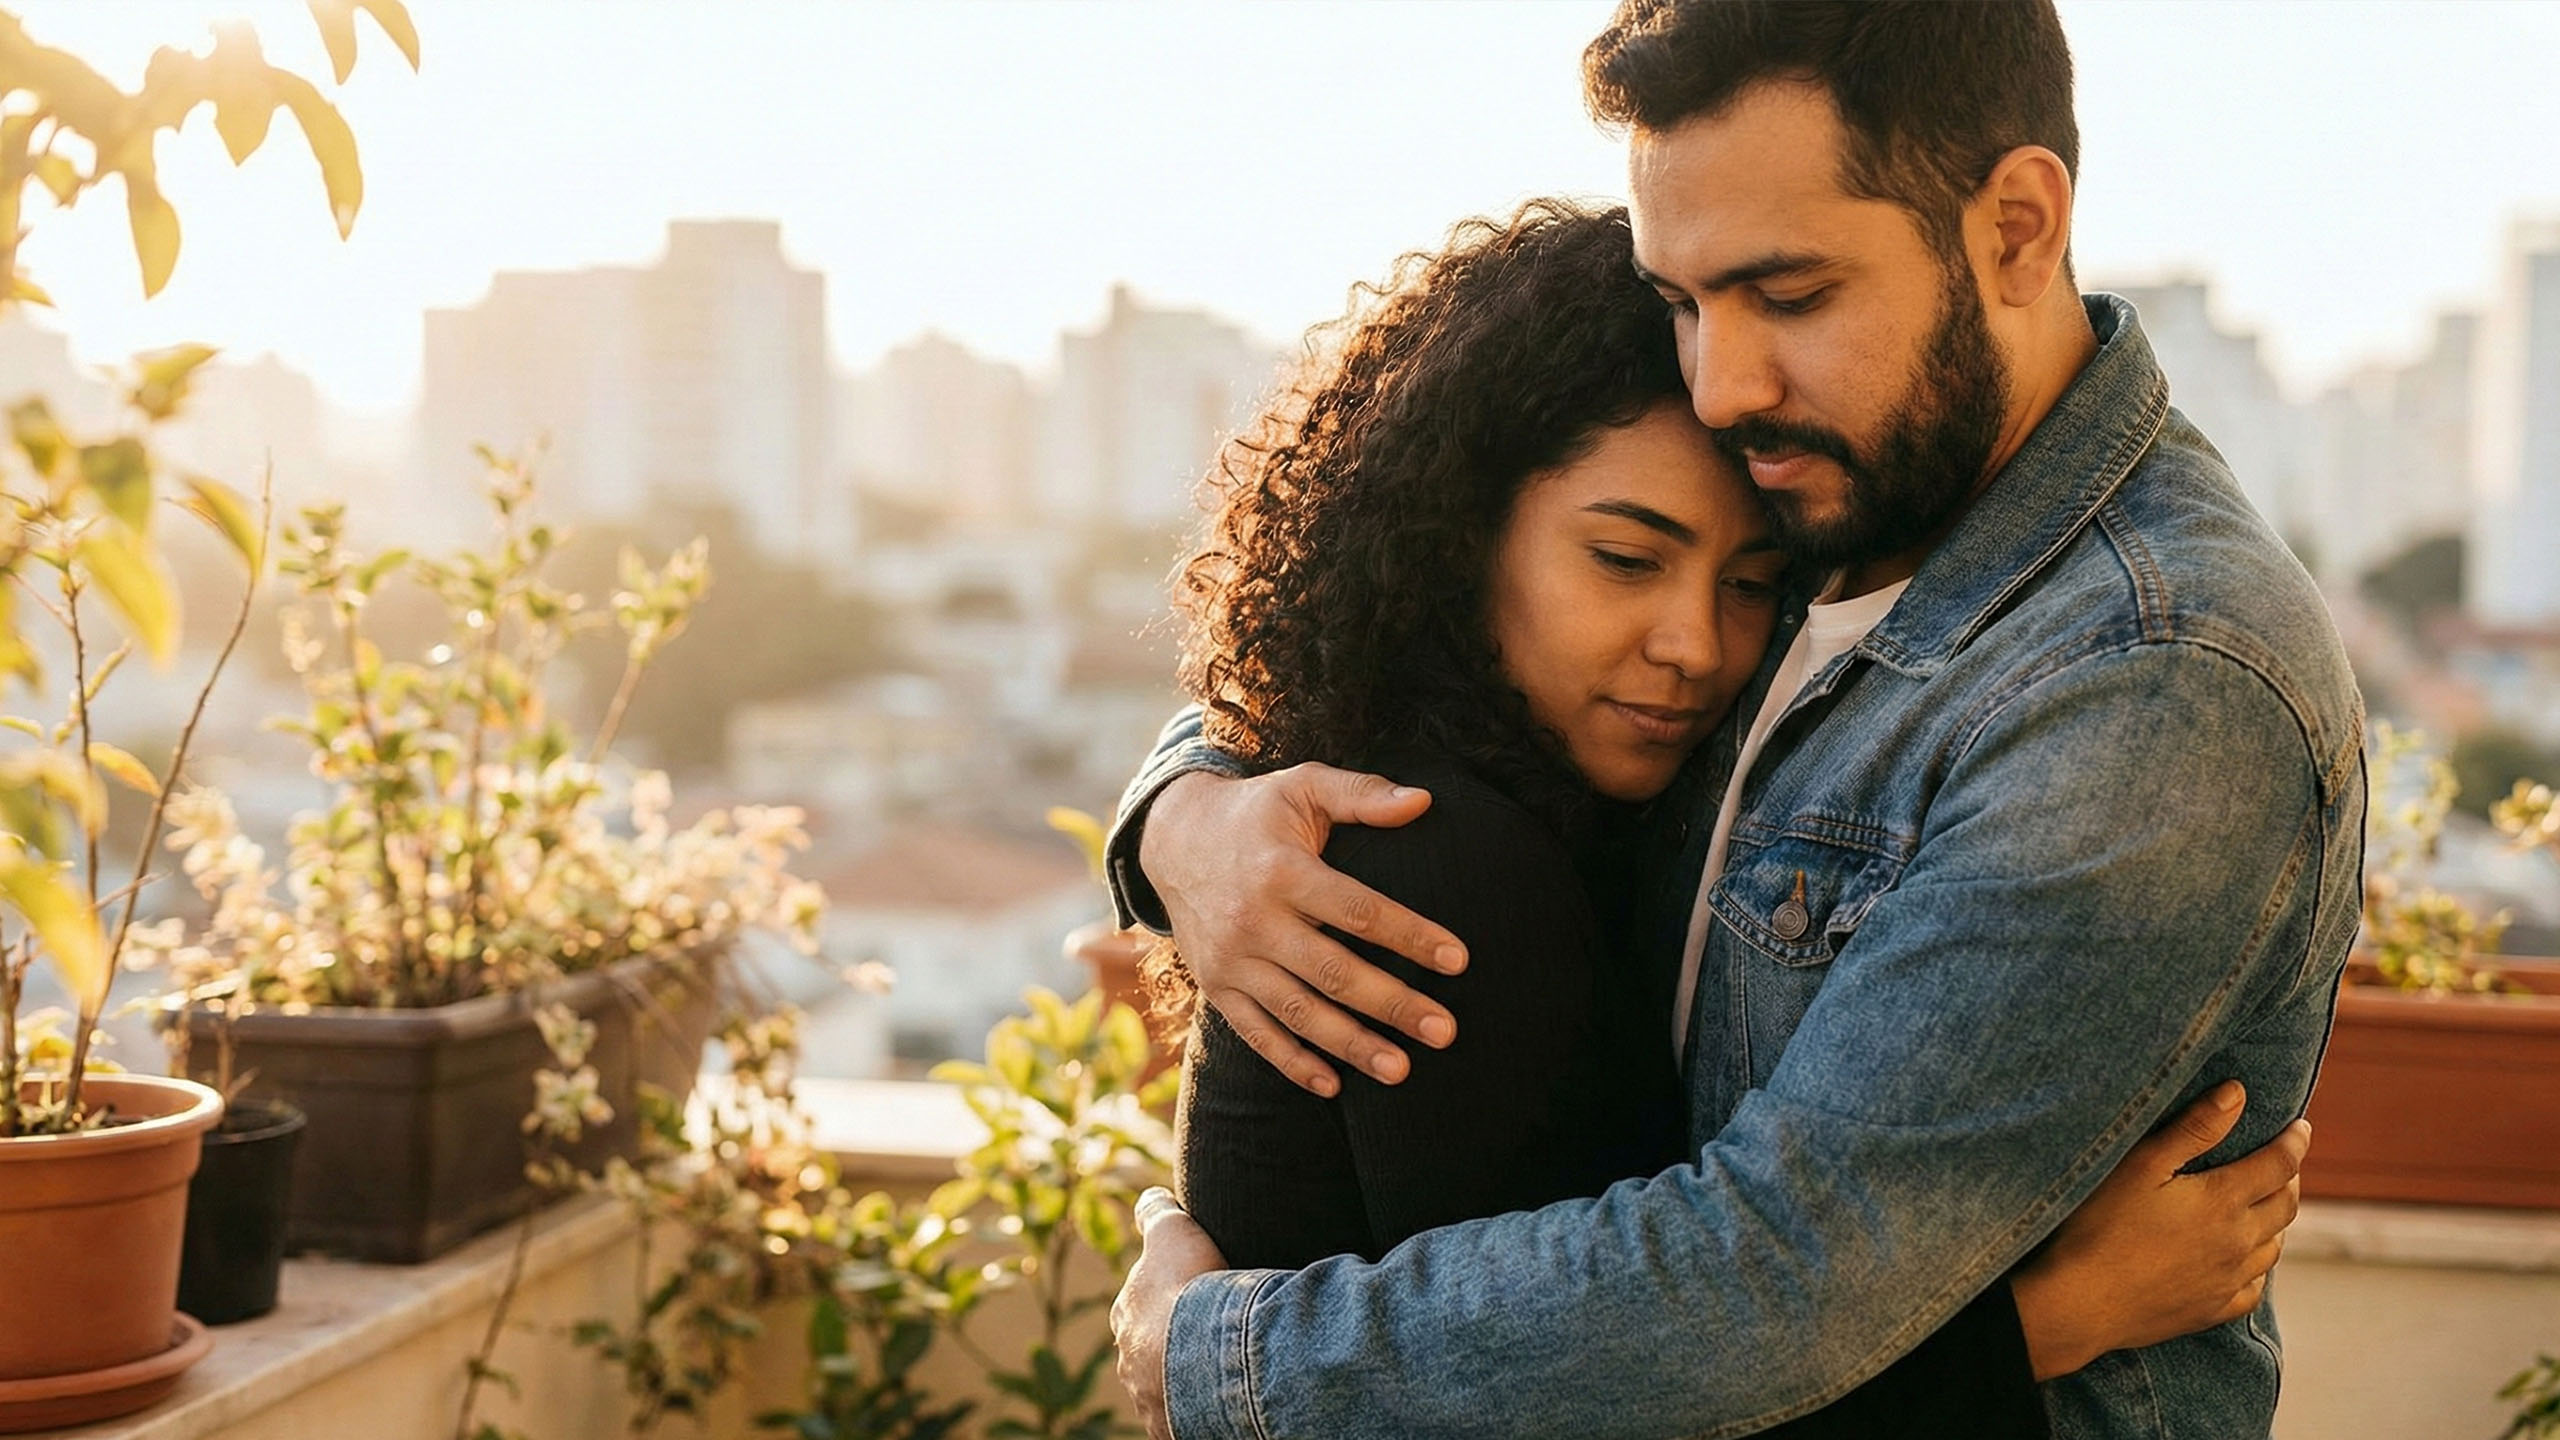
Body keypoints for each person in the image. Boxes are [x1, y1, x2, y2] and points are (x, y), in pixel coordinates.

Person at [1108, 4, 2363, 1439]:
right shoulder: (1823, 495)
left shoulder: (2151, 674)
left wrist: (1221, 1359)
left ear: (2018, 228)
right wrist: (1186, 815)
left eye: (1790, 294)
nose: (1720, 385)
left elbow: (1770, 1277)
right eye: (1685, 303)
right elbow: (1377, 637)